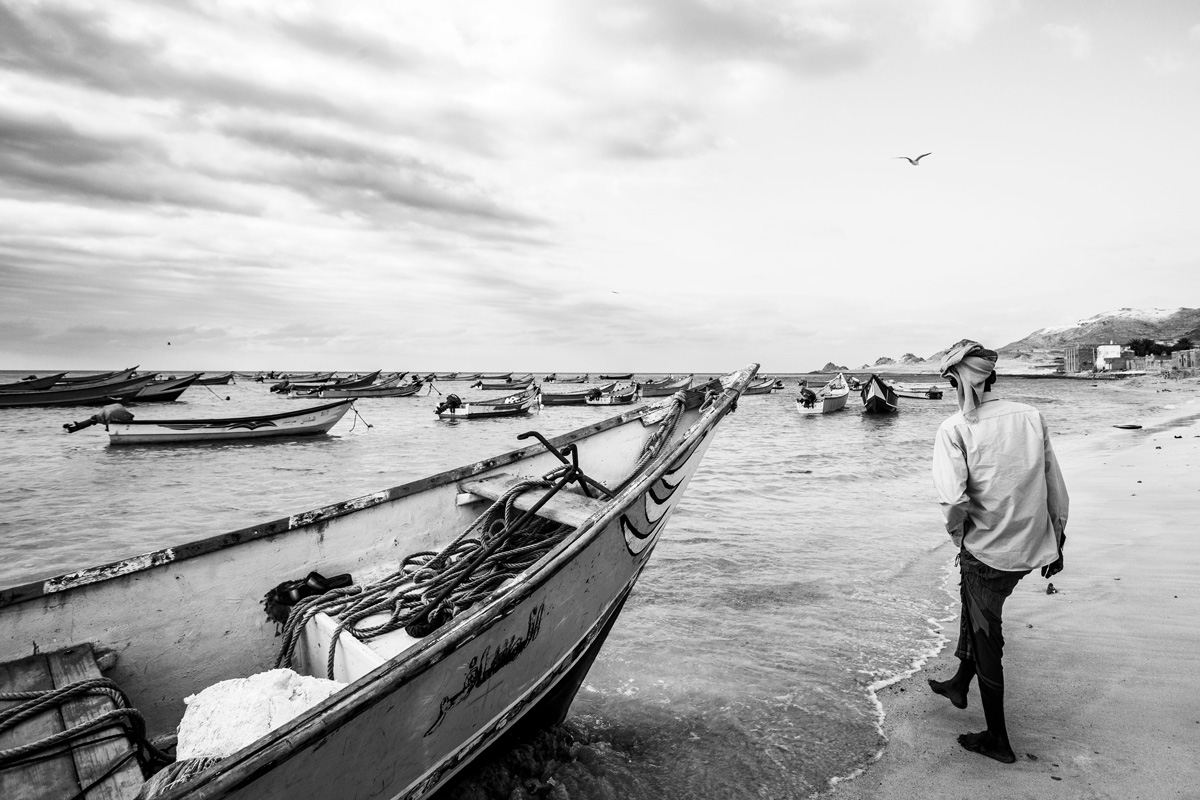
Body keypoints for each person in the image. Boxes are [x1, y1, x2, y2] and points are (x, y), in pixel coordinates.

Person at [927, 341, 1068, 764]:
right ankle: (957, 684)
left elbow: (953, 500)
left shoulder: (954, 428)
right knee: (974, 612)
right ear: (991, 375)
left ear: (955, 380)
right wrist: (1057, 538)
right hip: (1032, 544)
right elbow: (1053, 481)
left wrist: (960, 538)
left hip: (987, 551)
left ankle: (998, 739)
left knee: (988, 637)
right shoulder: (1030, 416)